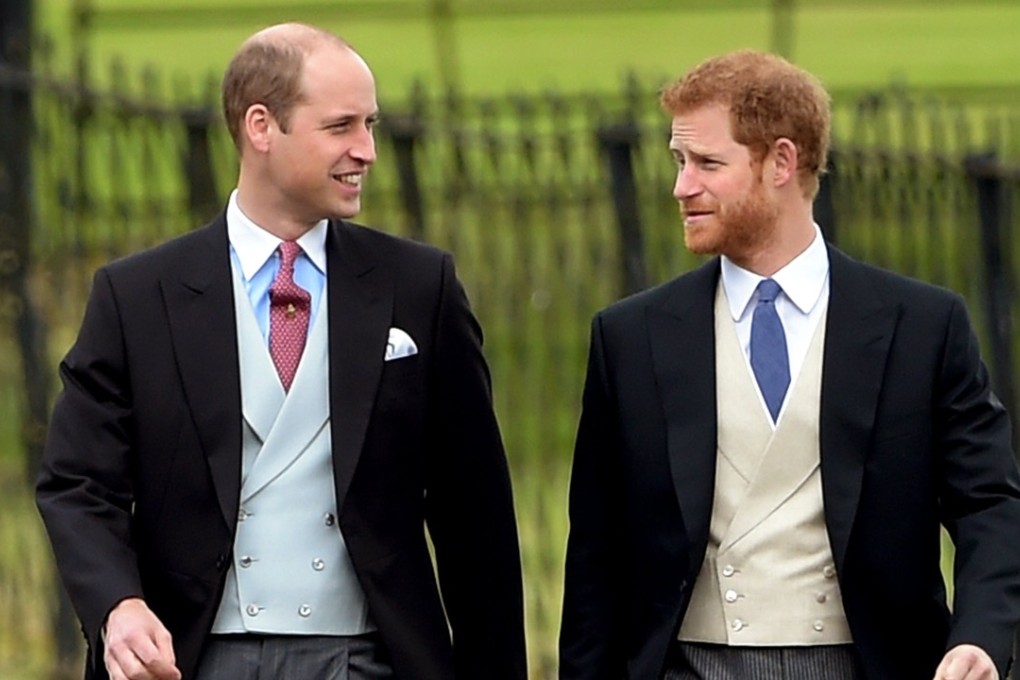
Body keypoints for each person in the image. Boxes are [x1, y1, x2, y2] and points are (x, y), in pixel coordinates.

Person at [36, 22, 526, 680]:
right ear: (261, 127)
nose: (368, 150)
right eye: (342, 126)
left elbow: (476, 517)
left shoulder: (419, 287)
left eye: (371, 124)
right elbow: (78, 483)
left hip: (371, 659)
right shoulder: (137, 296)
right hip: (193, 658)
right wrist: (118, 605)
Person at [559, 49, 1020, 680]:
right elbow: (595, 557)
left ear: (781, 161)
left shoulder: (921, 326)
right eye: (678, 161)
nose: (680, 186)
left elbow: (988, 501)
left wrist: (982, 637)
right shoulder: (631, 337)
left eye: (706, 163)